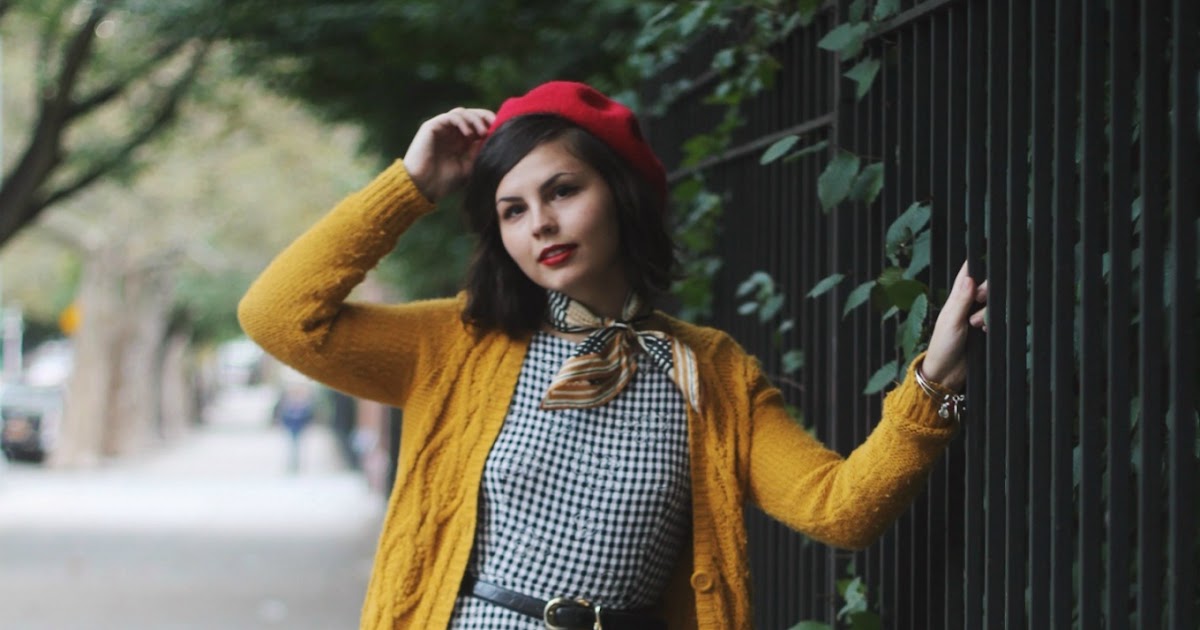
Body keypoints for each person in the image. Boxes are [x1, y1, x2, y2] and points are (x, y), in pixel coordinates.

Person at [238, 81, 988, 630]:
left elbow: (840, 507)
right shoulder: (458, 343)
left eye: (563, 190)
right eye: (513, 209)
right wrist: (409, 186)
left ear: (620, 194)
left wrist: (934, 382)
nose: (541, 223)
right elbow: (278, 318)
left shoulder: (711, 371)